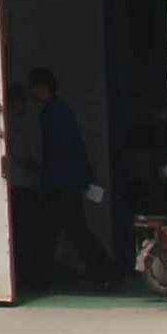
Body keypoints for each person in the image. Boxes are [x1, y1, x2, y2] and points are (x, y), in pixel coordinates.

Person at [22, 65, 119, 292]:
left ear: (42, 88)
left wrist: (46, 178)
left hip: (60, 183)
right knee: (70, 230)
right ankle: (103, 270)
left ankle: (43, 277)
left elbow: (57, 152)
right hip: (67, 182)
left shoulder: (52, 113)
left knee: (60, 230)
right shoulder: (60, 110)